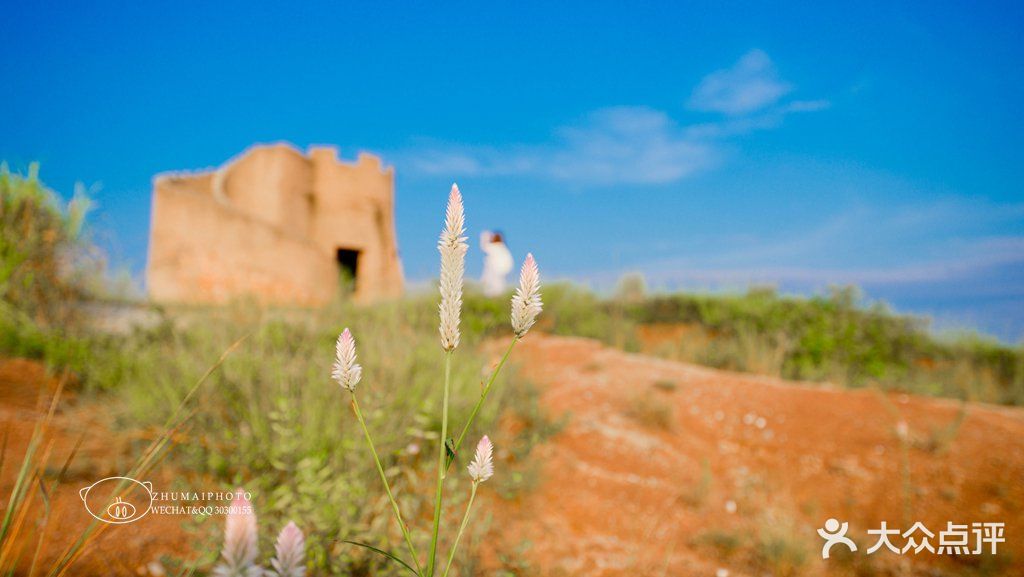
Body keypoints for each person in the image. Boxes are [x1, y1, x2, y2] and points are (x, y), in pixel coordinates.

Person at [480, 230, 514, 296]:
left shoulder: (495, 246)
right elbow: (509, 260)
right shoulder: (503, 247)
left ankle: (492, 296)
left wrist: (484, 236)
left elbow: (484, 247)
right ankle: (497, 296)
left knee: (492, 285)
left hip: (495, 270)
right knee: (499, 284)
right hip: (500, 270)